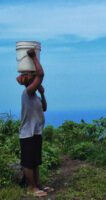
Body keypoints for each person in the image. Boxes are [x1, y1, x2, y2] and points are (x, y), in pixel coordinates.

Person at [16, 48, 53, 197]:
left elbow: (44, 108)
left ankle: (38, 185)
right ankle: (31, 188)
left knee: (36, 161)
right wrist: (34, 58)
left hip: (36, 132)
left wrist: (43, 94)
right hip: (27, 134)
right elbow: (41, 74)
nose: (33, 76)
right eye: (30, 75)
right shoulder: (27, 93)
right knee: (28, 163)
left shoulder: (35, 95)